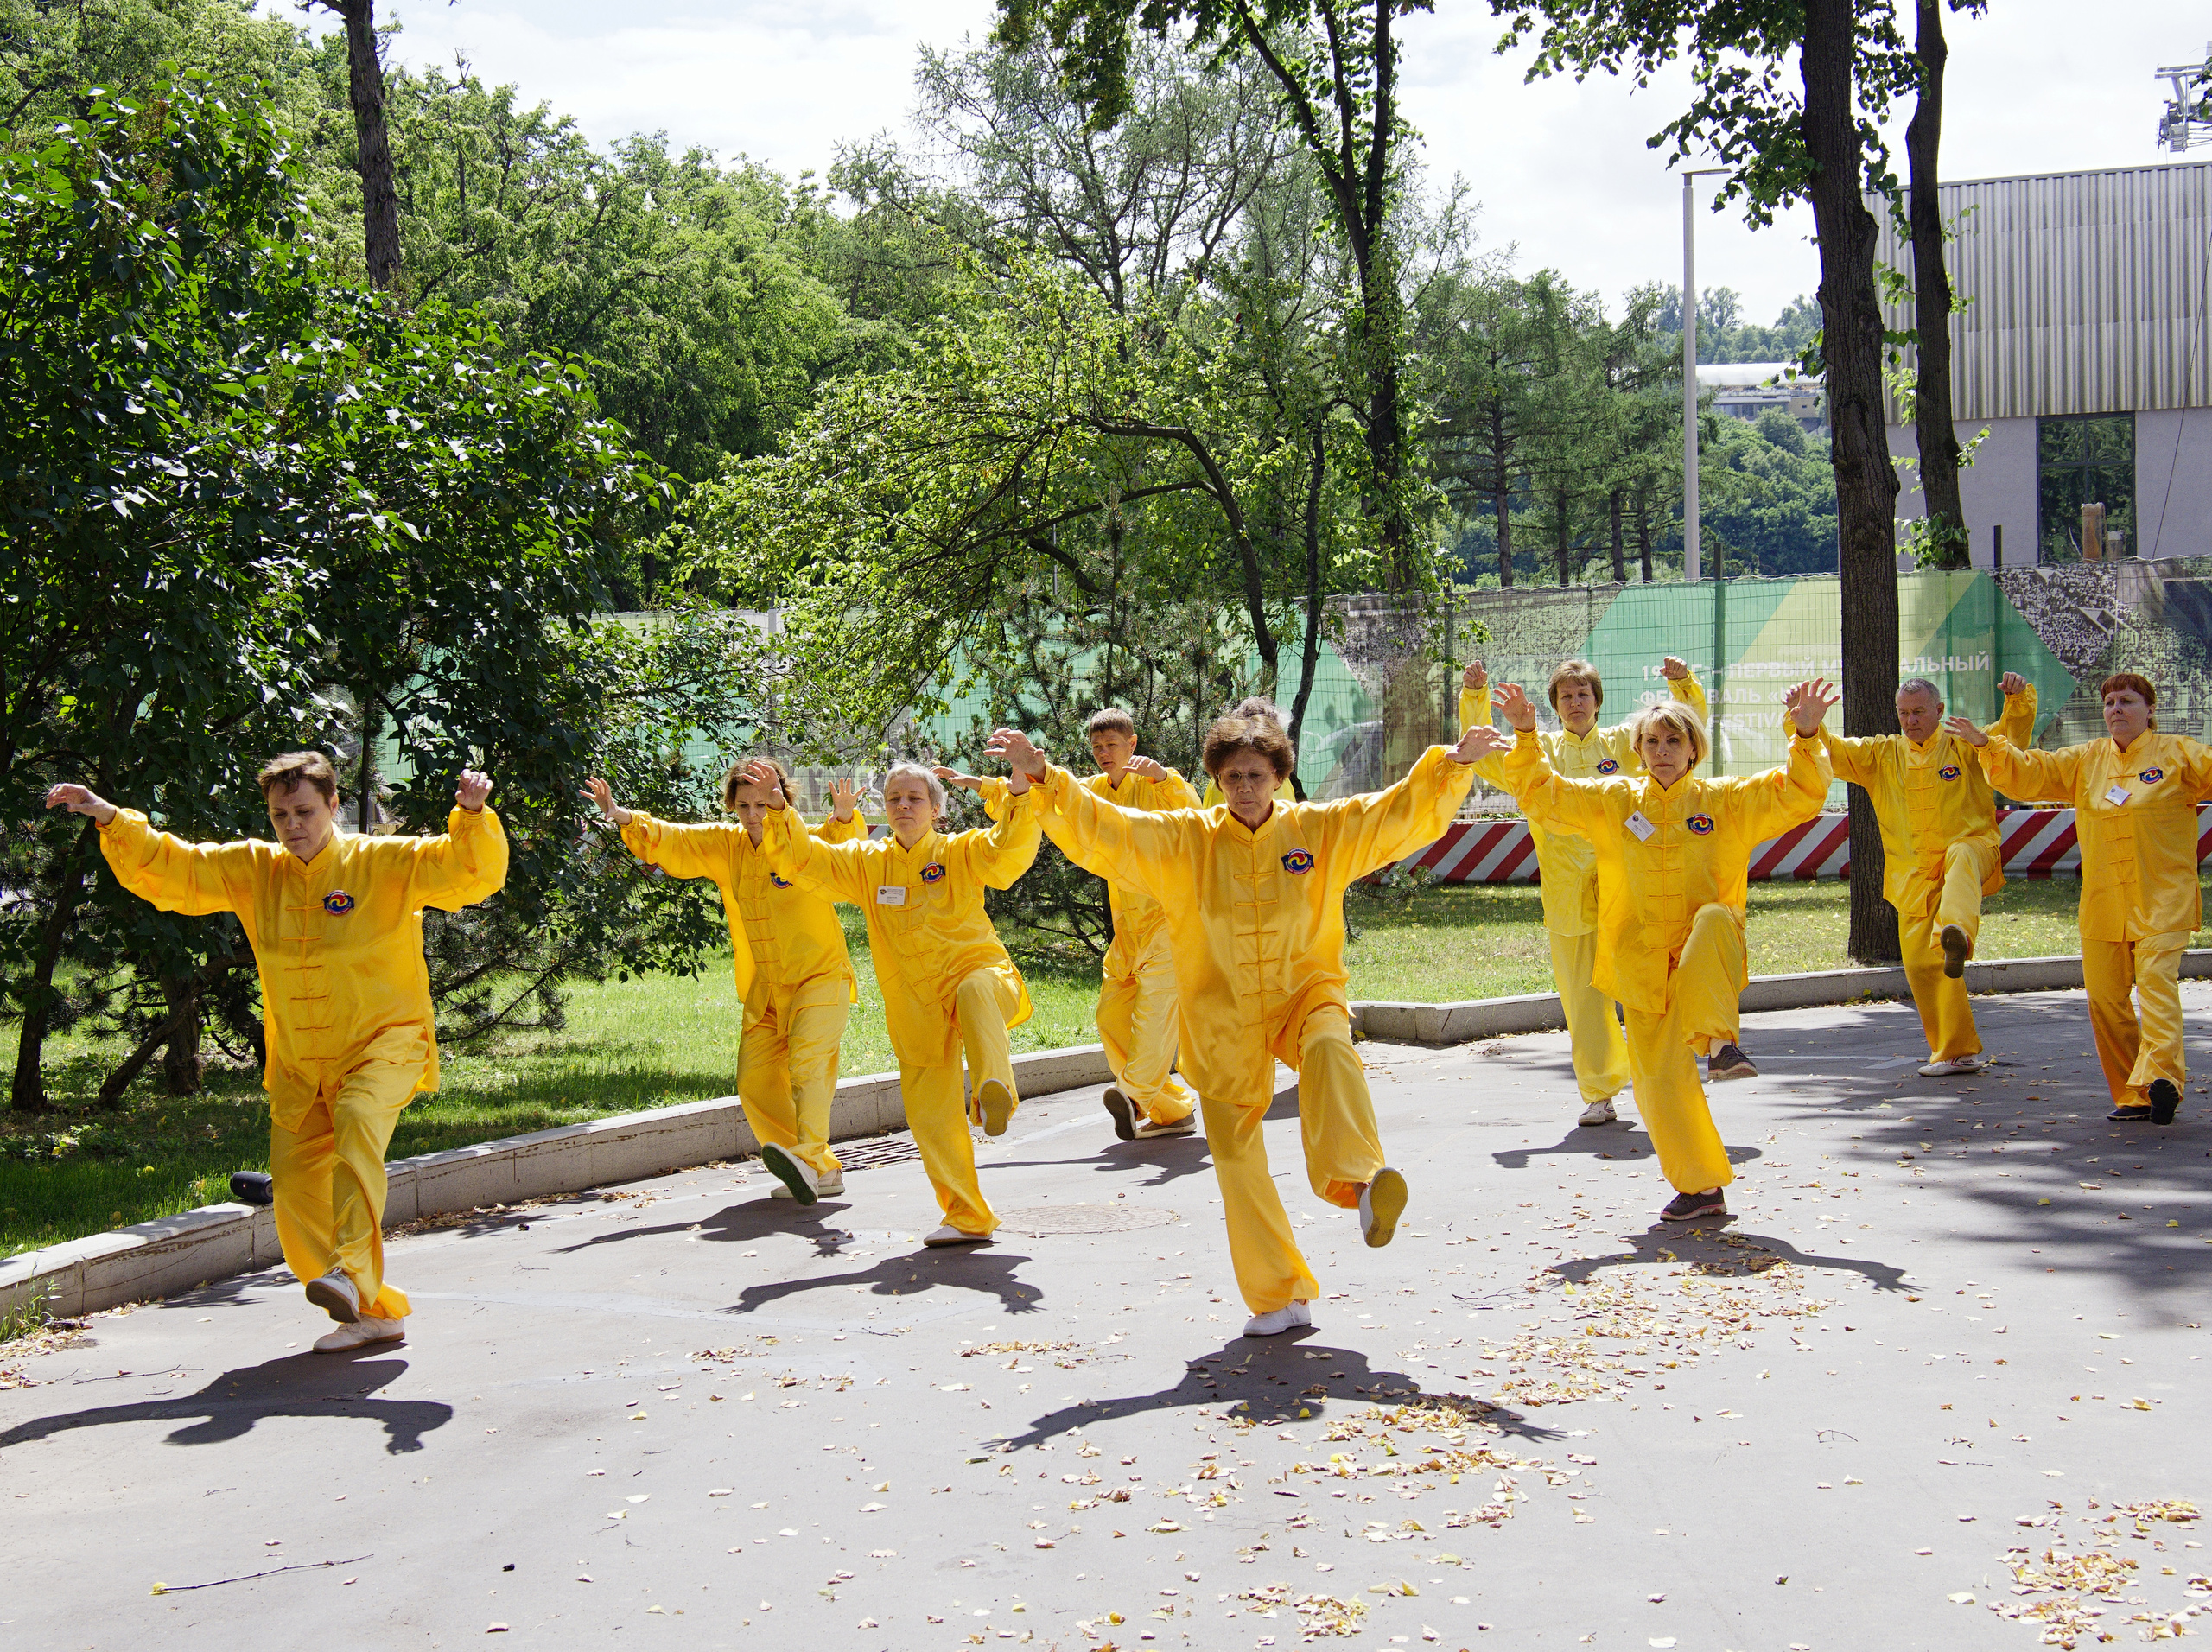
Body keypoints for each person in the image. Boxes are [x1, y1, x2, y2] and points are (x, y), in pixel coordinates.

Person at [983, 700, 1512, 1337]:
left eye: (1256, 775)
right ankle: (1278, 1296)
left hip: (1303, 992)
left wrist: (1453, 766)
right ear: (1216, 779)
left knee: (1330, 1046)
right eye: (1232, 776)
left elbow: (1393, 813)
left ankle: (1360, 1181)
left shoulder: (1319, 830)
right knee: (1235, 1159)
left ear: (1280, 776)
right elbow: (1110, 829)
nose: (1244, 788)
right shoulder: (1188, 840)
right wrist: (1043, 776)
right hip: (1221, 1015)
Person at [48, 753, 507, 1352]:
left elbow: (469, 872)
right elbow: (177, 869)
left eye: (305, 811)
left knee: (358, 1126)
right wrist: (110, 818)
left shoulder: (382, 863)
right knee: (292, 1194)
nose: (292, 824)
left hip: (383, 1045)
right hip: (299, 1065)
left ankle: (352, 1272)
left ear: (335, 806)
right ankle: (369, 1312)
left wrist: (470, 816)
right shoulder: (255, 870)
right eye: (280, 813)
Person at [1490, 678, 1835, 1223]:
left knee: (1716, 916)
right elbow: (1544, 795)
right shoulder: (1614, 800)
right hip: (1642, 966)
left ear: (1693, 749)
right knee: (1658, 1087)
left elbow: (1800, 793)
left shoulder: (1725, 800)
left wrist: (1808, 733)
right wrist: (1527, 733)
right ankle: (1702, 1190)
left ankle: (1718, 1042)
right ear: (1638, 750)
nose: (1661, 752)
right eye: (1651, 742)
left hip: (1706, 958)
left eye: (1673, 742)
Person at [740, 758, 1041, 1244]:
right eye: (894, 798)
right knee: (929, 1116)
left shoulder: (960, 851)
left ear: (938, 809)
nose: (903, 805)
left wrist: (1022, 793)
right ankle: (967, 1218)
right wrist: (778, 810)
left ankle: (993, 1092)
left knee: (974, 989)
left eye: (914, 798)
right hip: (914, 1004)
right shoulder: (868, 863)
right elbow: (806, 862)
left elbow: (1008, 851)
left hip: (982, 979)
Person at [1458, 655, 1739, 1122]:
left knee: (1653, 982)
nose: (1575, 703)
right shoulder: (1536, 748)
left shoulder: (1622, 745)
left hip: (1630, 886)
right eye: (1566, 696)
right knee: (1583, 997)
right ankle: (1599, 1091)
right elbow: (1481, 749)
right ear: (1554, 704)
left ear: (1597, 700)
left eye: (1583, 694)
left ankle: (1677, 1074)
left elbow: (1681, 732)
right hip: (1568, 892)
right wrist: (1474, 697)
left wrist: (1684, 686)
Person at [582, 760, 867, 1204]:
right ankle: (813, 1165)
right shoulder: (725, 844)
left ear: (783, 799)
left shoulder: (802, 839)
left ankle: (810, 1161)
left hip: (819, 977)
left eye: (763, 802)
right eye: (743, 804)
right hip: (767, 988)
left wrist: (846, 817)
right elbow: (675, 838)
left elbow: (847, 857)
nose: (753, 814)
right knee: (754, 1081)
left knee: (808, 1068)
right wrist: (622, 815)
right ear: (732, 805)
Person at [1948, 672, 2210, 1124]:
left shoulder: (2180, 755)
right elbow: (2030, 774)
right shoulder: (2086, 759)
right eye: (2109, 702)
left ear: (2150, 710)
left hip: (2163, 901)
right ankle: (2135, 1096)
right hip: (2103, 905)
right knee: (2105, 1001)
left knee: (2156, 988)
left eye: (2127, 701)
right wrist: (1985, 745)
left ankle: (2164, 1079)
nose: (2116, 709)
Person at [942, 713, 1203, 1144]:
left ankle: (1134, 1096)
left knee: (1155, 1015)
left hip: (1170, 922)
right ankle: (1171, 1110)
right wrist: (984, 780)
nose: (1104, 754)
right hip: (1128, 932)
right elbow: (1055, 794)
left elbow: (1194, 821)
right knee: (1111, 1018)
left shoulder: (1160, 782)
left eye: (1112, 745)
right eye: (1097, 747)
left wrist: (1163, 777)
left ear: (1132, 743)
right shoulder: (1097, 790)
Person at [1815, 672, 2037, 1077]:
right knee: (1923, 967)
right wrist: (1808, 726)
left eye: (1919, 711)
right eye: (1903, 713)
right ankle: (1956, 1052)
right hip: (1912, 875)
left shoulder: (1964, 741)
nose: (1910, 720)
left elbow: (2011, 741)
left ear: (1939, 710)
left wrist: (2018, 699)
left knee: (1960, 854)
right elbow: (1830, 751)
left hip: (1973, 851)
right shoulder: (1882, 754)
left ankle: (1957, 929)